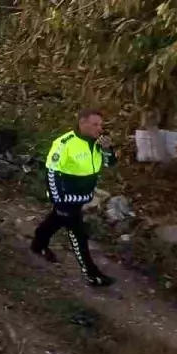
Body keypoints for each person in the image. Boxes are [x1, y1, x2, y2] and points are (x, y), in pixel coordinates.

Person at [30, 109, 118, 287]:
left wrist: (107, 149)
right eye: (95, 124)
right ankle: (92, 274)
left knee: (54, 221)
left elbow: (110, 163)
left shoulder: (96, 143)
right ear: (82, 123)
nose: (99, 129)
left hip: (82, 197)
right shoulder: (64, 143)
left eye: (101, 125)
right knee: (78, 234)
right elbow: (52, 172)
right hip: (66, 198)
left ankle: (38, 243)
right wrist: (58, 199)